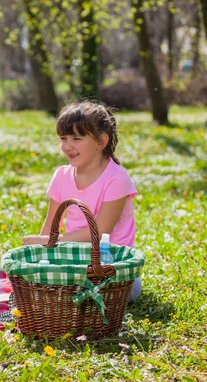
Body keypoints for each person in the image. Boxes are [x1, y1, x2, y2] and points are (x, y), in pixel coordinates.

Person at [22, 101, 142, 301]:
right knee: (42, 285)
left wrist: (50, 242)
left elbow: (100, 230)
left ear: (101, 142)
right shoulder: (61, 176)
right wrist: (37, 257)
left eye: (76, 138)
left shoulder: (117, 178)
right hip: (74, 260)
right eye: (63, 138)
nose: (67, 146)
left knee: (98, 293)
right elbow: (51, 224)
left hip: (111, 269)